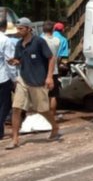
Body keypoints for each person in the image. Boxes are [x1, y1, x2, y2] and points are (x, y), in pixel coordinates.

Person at [7, 17, 59, 150]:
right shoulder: (19, 44)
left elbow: (51, 58)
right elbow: (20, 60)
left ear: (29, 29)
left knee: (42, 110)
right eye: (17, 29)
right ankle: (15, 139)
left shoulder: (39, 42)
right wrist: (15, 61)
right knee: (16, 108)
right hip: (23, 80)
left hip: (38, 81)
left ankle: (54, 126)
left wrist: (49, 77)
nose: (18, 31)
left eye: (21, 29)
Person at [0, 18, 17, 140]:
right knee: (4, 105)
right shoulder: (5, 40)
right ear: (5, 27)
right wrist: (14, 79)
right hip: (2, 78)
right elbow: (9, 61)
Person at [41, 20, 61, 119]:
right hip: (54, 70)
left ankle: (45, 118)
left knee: (43, 96)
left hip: (43, 70)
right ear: (53, 29)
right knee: (53, 95)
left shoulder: (40, 40)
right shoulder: (57, 40)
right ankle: (52, 117)